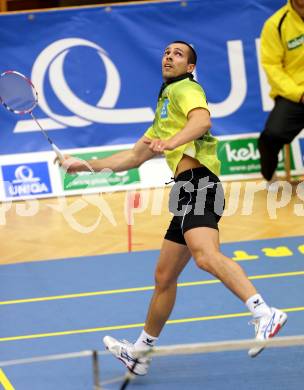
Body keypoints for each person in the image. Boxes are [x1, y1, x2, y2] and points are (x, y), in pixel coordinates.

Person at [60, 41, 287, 375]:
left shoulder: (185, 89)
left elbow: (202, 122)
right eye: (167, 52)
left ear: (190, 67)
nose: (170, 56)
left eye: (179, 54)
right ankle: (139, 353)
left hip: (200, 183)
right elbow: (132, 158)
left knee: (205, 256)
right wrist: (81, 165)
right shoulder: (165, 109)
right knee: (164, 277)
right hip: (185, 190)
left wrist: (172, 142)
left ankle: (263, 312)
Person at [258, 0, 304, 184]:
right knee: (270, 137)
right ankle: (270, 178)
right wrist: (299, 94)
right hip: (294, 95)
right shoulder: (275, 24)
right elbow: (272, 66)